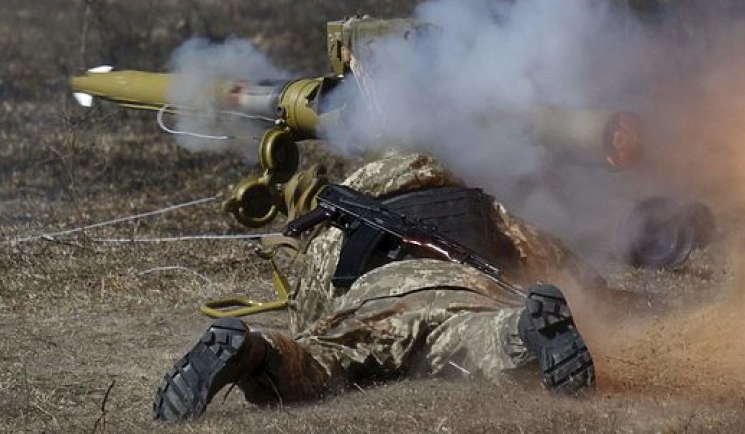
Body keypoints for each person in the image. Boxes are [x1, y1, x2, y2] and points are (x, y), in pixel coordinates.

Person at [153, 152, 597, 422]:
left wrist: (306, 333)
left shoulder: (339, 221)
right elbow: (548, 256)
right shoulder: (481, 205)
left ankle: (252, 351)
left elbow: (314, 300)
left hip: (372, 299)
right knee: (487, 342)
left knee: (319, 360)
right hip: (464, 293)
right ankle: (525, 331)